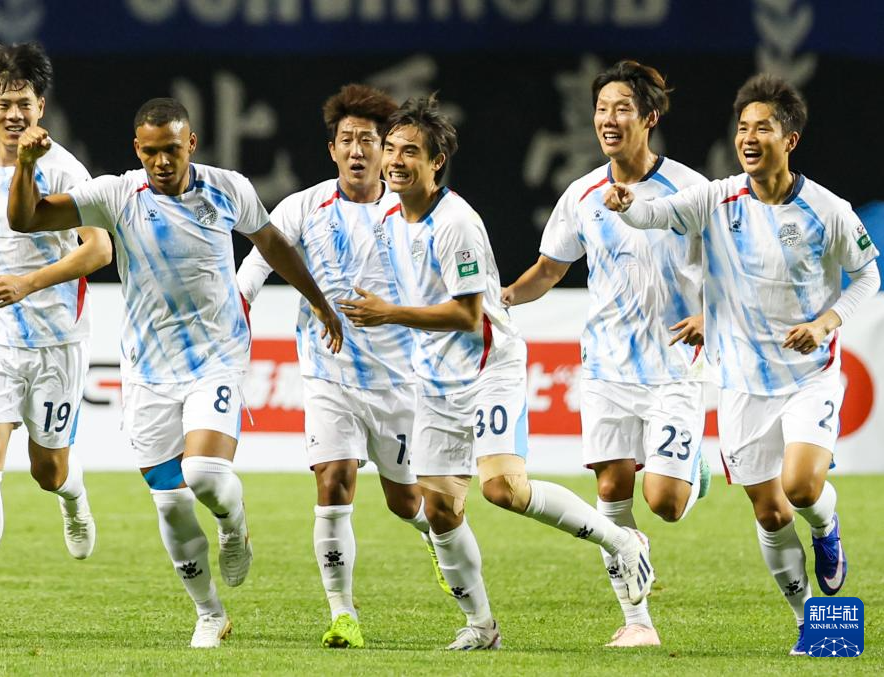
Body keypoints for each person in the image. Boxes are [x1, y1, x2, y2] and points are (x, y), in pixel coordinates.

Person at [7, 97, 343, 649]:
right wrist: (24, 166)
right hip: (147, 370)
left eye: (171, 149)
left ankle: (233, 525)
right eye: (150, 152)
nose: (162, 162)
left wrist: (320, 301)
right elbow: (27, 218)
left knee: (205, 473)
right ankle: (209, 613)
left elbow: (273, 245)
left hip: (216, 358)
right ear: (136, 150)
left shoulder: (227, 188)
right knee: (170, 500)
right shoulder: (117, 194)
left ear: (191, 143)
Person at [338, 95, 654, 651]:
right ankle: (481, 627)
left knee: (504, 489)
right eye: (391, 149)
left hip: (488, 368)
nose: (394, 161)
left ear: (436, 162)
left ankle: (621, 542)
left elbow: (468, 314)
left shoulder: (456, 223)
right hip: (434, 379)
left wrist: (389, 314)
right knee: (439, 509)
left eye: (410, 152)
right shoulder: (387, 219)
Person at [604, 74, 880, 656]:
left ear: (790, 139)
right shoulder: (717, 197)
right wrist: (629, 206)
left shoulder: (827, 210)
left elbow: (867, 276)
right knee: (769, 511)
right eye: (742, 128)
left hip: (807, 376)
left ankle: (826, 527)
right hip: (739, 383)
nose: (748, 138)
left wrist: (826, 323)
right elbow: (657, 214)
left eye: (763, 128)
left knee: (800, 487)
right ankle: (811, 624)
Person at [503, 60, 711, 647]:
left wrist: (712, 316)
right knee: (612, 497)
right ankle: (638, 623)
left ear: (650, 117)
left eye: (622, 109)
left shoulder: (693, 192)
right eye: (601, 109)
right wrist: (504, 298)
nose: (608, 120)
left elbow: (729, 268)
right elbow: (549, 269)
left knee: (665, 503)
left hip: (675, 367)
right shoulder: (582, 194)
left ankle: (689, 470)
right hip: (605, 368)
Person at [237, 84, 448, 649]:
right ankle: (342, 612)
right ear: (331, 149)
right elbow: (255, 268)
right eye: (347, 140)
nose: (357, 150)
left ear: (386, 150)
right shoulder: (302, 207)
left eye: (369, 140)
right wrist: (238, 309)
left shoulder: (412, 210)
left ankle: (434, 535)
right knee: (333, 482)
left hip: (399, 380)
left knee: (406, 502)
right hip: (328, 373)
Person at [0, 42, 111, 638]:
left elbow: (99, 249)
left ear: (42, 108)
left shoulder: (64, 170)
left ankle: (73, 495)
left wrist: (28, 283)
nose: (15, 115)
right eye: (4, 103)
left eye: (25, 104)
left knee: (47, 469)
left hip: (56, 340)